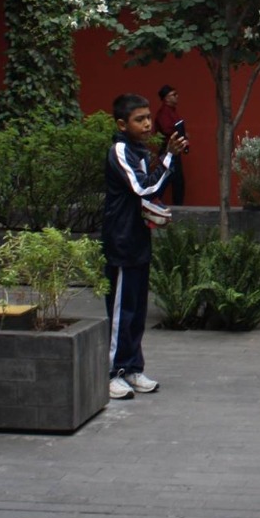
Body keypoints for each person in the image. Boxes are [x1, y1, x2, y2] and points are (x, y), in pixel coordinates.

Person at [104, 92, 184, 401]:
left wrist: (166, 156)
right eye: (140, 119)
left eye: (149, 117)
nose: (148, 123)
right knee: (121, 311)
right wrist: (168, 157)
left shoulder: (138, 150)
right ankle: (112, 372)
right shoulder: (121, 151)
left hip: (137, 240)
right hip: (121, 243)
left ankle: (132, 368)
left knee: (136, 309)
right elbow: (144, 187)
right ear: (122, 124)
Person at [153, 84, 186, 206]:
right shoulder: (163, 113)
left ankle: (177, 206)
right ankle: (153, 201)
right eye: (174, 95)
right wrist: (181, 134)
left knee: (176, 180)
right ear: (166, 98)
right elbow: (167, 130)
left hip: (174, 150)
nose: (177, 97)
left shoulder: (172, 112)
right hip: (168, 150)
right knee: (169, 179)